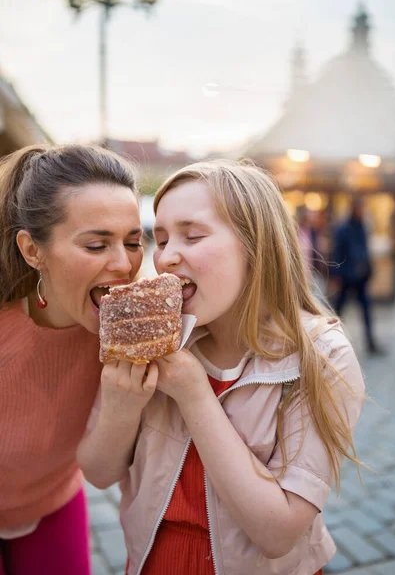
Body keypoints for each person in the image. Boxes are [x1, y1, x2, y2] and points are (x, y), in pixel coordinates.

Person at [78, 160, 365, 575]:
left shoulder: (322, 357)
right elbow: (99, 473)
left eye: (192, 236)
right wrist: (122, 408)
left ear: (256, 245)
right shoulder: (152, 335)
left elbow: (278, 534)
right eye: (159, 239)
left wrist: (195, 395)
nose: (167, 257)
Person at [0, 144, 143, 575]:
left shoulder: (135, 329)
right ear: (32, 250)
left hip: (54, 502)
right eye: (97, 244)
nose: (124, 264)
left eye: (134, 242)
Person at [331, 198, 384, 354]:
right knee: (338, 311)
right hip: (347, 277)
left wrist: (368, 270)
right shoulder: (343, 229)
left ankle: (370, 342)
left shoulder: (361, 227)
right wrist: (337, 275)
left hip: (360, 277)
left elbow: (364, 250)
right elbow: (338, 254)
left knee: (366, 310)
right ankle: (330, 341)